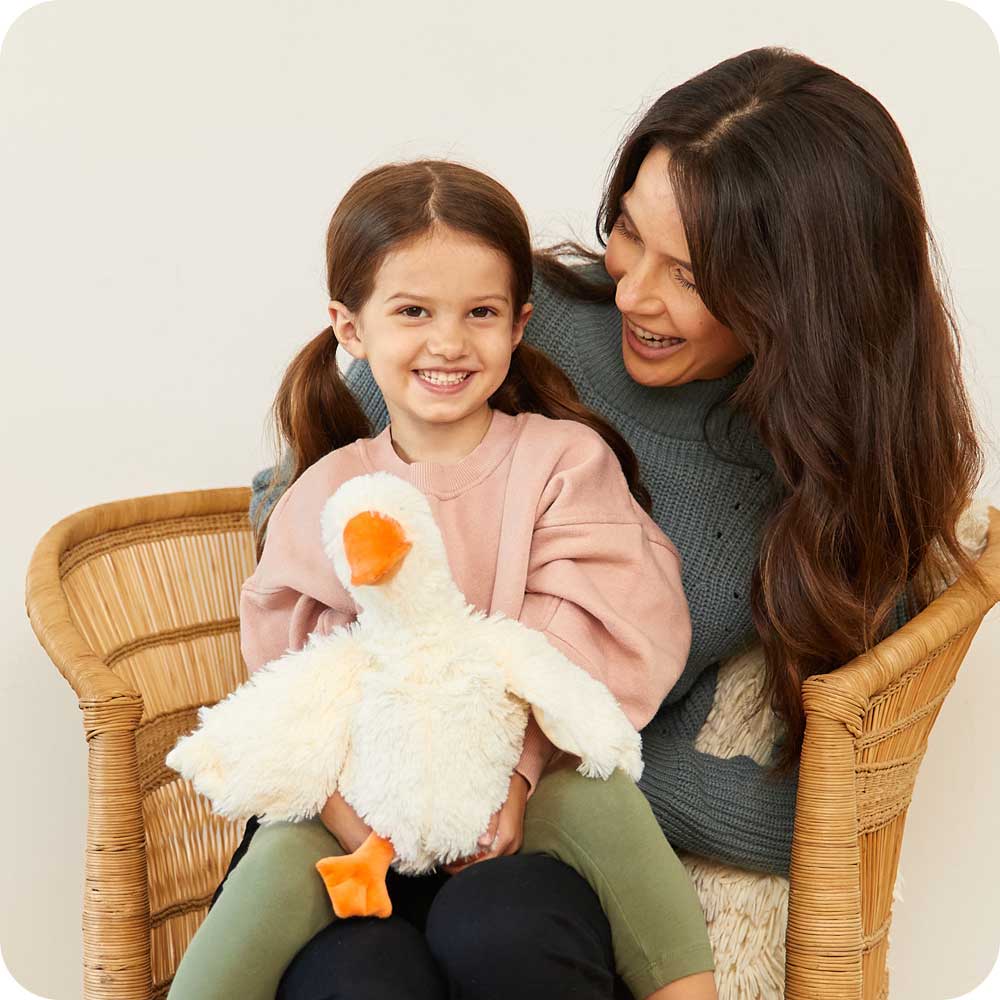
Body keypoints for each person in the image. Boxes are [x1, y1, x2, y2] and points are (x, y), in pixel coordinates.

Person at [247, 46, 983, 997]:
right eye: (629, 233)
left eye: (692, 274)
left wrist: (559, 765)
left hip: (548, 845)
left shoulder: (826, 483)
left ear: (803, 295)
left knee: (500, 928)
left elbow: (831, 795)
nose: (635, 290)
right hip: (362, 797)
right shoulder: (501, 319)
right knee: (356, 968)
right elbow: (303, 507)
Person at [167, 159, 719, 1000]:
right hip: (361, 806)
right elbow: (305, 685)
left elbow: (590, 645)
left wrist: (515, 777)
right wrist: (361, 828)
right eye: (413, 312)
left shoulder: (562, 465)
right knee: (281, 855)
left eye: (481, 313)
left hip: (518, 798)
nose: (450, 343)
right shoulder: (328, 496)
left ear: (519, 324)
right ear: (350, 329)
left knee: (605, 802)